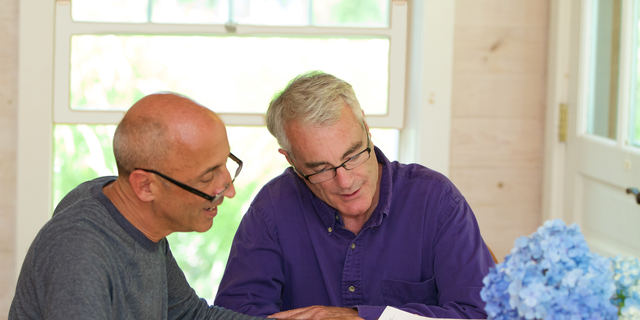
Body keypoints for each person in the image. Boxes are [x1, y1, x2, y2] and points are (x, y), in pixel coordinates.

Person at [214, 71, 496, 320]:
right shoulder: (273, 208)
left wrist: (360, 318)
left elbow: (478, 314)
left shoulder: (435, 200)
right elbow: (236, 315)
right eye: (321, 169)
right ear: (292, 161)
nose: (346, 181)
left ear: (367, 130)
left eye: (353, 155)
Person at [9, 92, 263, 320]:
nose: (229, 190)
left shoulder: (132, 214)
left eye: (225, 164)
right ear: (144, 186)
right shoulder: (79, 252)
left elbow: (188, 314)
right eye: (208, 177)